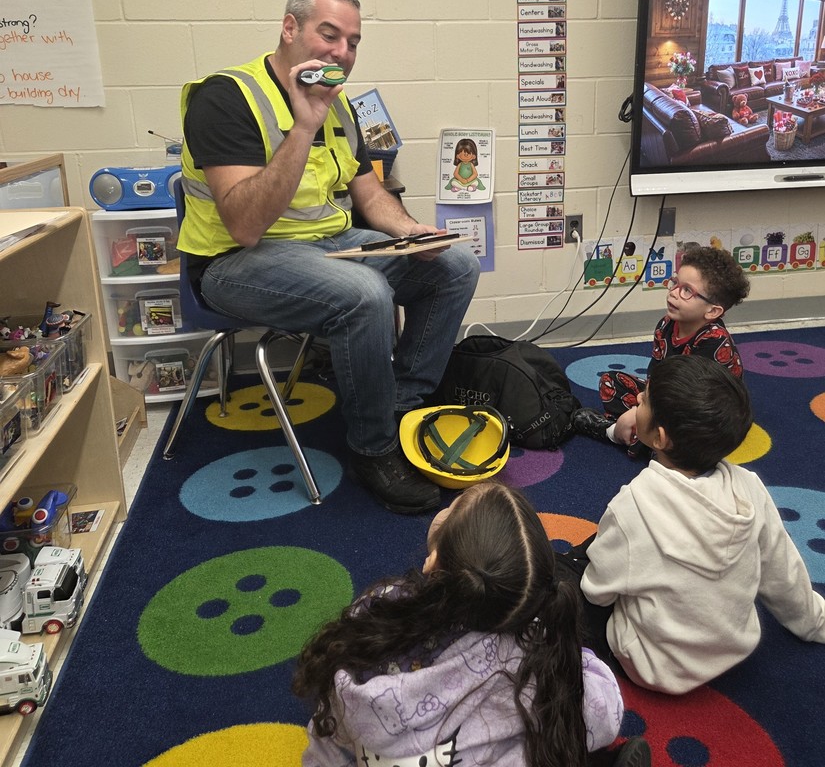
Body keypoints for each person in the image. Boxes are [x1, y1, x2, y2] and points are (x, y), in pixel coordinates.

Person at [178, 0, 480, 515]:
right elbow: (245, 226)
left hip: (328, 243)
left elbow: (368, 191)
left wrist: (411, 232)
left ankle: (402, 405)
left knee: (455, 264)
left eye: (353, 42)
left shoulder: (341, 107)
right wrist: (302, 126)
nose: (342, 52)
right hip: (235, 262)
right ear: (290, 29)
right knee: (364, 294)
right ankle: (375, 446)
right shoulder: (224, 97)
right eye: (329, 34)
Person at [293, 480, 650, 767]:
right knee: (558, 734)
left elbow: (329, 733)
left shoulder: (375, 613)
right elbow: (602, 716)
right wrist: (577, 656)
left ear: (433, 563)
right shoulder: (531, 656)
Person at [560, 357, 825, 695]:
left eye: (645, 398)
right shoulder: (751, 488)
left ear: (659, 437)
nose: (638, 398)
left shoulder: (634, 504)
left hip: (650, 666)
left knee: (571, 576)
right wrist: (815, 622)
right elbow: (782, 570)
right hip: (730, 651)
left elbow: (598, 590)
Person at [571, 244, 749, 454]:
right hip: (669, 399)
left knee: (689, 434)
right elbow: (655, 376)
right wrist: (642, 408)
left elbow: (694, 403)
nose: (673, 293)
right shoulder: (666, 325)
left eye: (687, 291)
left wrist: (639, 414)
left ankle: (615, 433)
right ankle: (645, 440)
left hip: (701, 412)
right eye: (675, 283)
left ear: (712, 311)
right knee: (610, 382)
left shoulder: (714, 342)